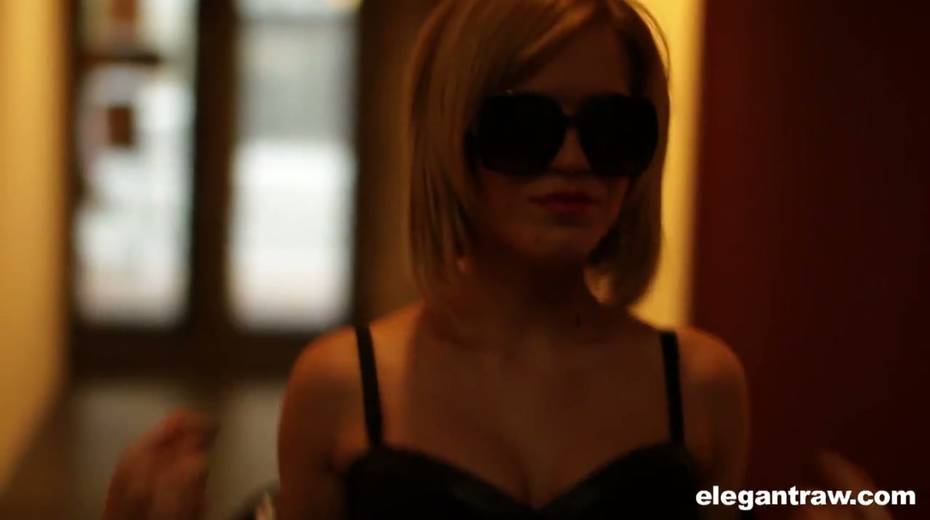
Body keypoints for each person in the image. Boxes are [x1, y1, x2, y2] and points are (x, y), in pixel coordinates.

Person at [110, 0, 753, 518]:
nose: (573, 159)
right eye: (523, 126)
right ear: (453, 138)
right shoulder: (342, 387)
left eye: (611, 127)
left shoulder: (702, 386)